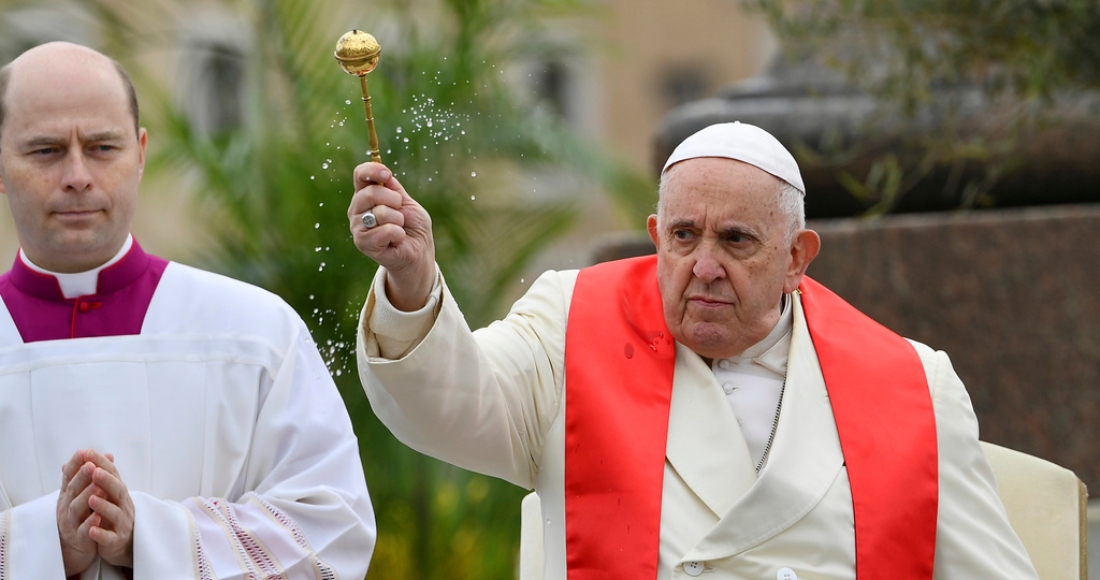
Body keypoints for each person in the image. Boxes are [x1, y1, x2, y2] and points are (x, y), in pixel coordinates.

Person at [347, 121, 1037, 578]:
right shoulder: (571, 323)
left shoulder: (914, 384)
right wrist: (413, 284)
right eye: (683, 237)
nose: (704, 265)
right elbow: (453, 405)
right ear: (655, 235)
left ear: (797, 258)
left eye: (736, 240)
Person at [0, 42, 375, 578]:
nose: (78, 175)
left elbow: (333, 529)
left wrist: (149, 539)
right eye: (46, 151)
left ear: (141, 153)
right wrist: (47, 543)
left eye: (103, 147)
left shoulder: (255, 333)